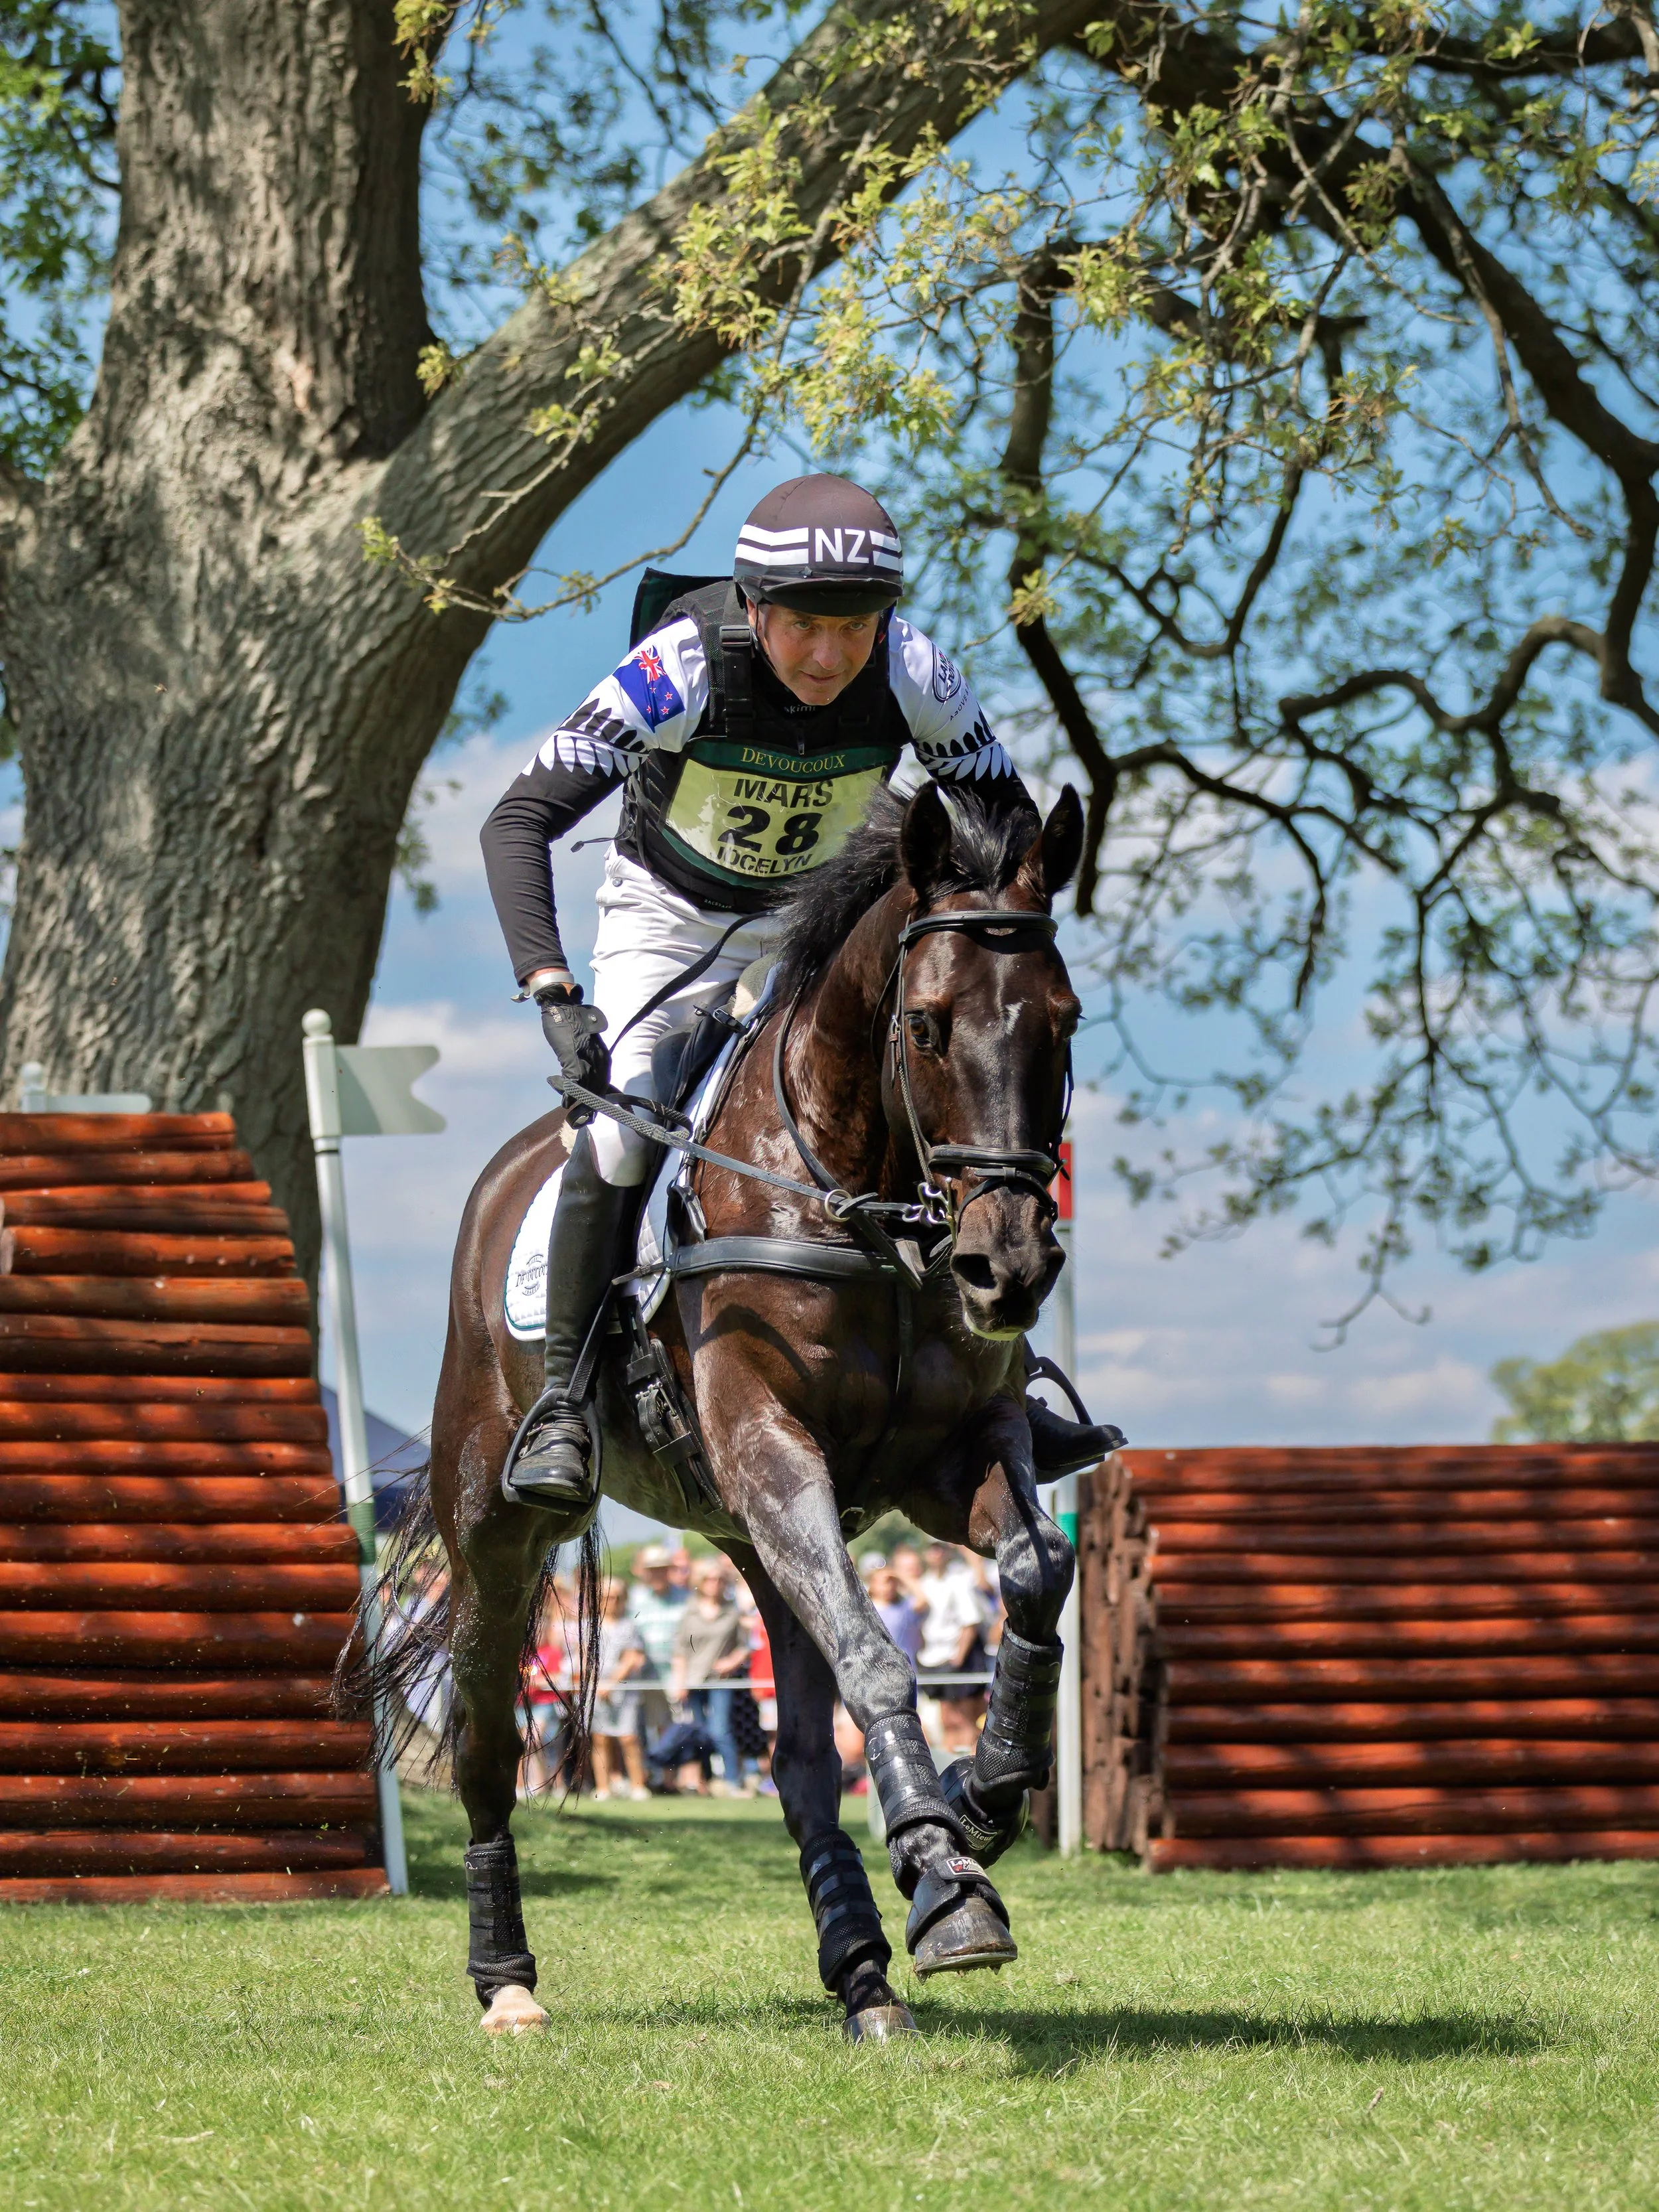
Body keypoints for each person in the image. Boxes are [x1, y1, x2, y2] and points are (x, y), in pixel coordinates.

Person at [480, 471, 1118, 1505]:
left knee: (920, 1088)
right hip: (670, 920)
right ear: (754, 609)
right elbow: (518, 819)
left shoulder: (916, 669)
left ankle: (990, 1387)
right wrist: (553, 986)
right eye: (806, 629)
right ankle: (561, 1401)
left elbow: (1006, 837)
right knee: (621, 1131)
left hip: (813, 924)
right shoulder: (678, 668)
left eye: (857, 630)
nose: (831, 657)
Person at [670, 1559, 752, 1793]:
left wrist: (731, 1661)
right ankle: (705, 1781)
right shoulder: (690, 1613)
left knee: (720, 1730)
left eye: (719, 1579)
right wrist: (680, 1682)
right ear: (702, 1582)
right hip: (694, 1680)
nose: (715, 1584)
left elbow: (744, 1646)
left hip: (720, 1681)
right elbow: (680, 1651)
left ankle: (733, 1780)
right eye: (710, 1579)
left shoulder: (731, 1612)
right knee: (700, 1733)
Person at [916, 1541, 990, 1755]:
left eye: (940, 1549)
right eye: (932, 1549)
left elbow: (971, 1623)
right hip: (936, 1660)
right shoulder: (925, 1583)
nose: (936, 1553)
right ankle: (952, 1771)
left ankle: (969, 1767)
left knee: (966, 1719)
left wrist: (958, 1660)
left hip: (960, 1660)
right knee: (948, 1720)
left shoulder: (959, 1580)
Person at [588, 1580, 650, 1799]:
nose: (611, 1602)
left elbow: (631, 1657)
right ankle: (603, 1788)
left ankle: (638, 1786)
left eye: (616, 1597)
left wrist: (611, 1684)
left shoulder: (629, 1626)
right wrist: (598, 1685)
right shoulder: (589, 1626)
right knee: (600, 1739)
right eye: (606, 1597)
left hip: (623, 1689)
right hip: (595, 1690)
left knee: (629, 1738)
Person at [627, 1539, 686, 1765]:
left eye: (662, 1569)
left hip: (678, 1673)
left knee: (678, 1725)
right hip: (647, 1675)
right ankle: (660, 1774)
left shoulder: (684, 1596)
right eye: (653, 1570)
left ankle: (680, 1777)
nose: (657, 1575)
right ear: (645, 1573)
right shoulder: (635, 1598)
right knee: (652, 1725)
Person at [867, 1560, 925, 1670]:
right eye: (885, 1582)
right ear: (873, 1584)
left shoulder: (904, 1607)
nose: (889, 1586)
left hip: (903, 1668)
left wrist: (900, 1575)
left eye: (893, 1582)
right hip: (876, 1668)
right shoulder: (865, 1609)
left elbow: (922, 1600)